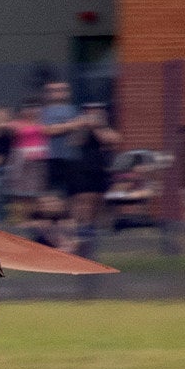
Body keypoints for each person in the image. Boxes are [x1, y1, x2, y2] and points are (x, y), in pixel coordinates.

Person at [65, 104, 120, 256]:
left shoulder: (105, 129)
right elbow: (74, 142)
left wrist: (96, 127)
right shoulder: (79, 126)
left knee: (96, 203)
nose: (93, 115)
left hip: (98, 169)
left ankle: (90, 238)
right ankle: (80, 235)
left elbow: (112, 140)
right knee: (83, 202)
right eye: (90, 112)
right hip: (81, 169)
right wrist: (82, 126)